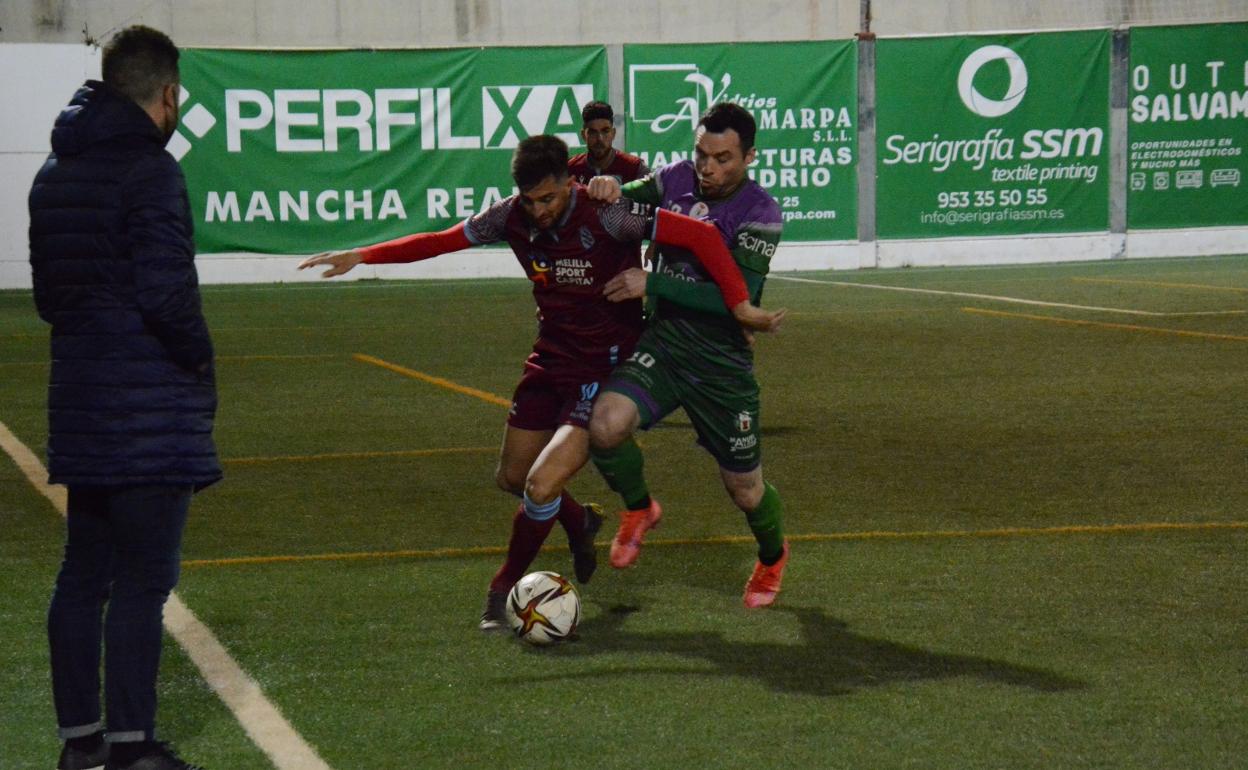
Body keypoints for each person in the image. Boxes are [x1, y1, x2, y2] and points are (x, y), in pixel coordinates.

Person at [298, 134, 781, 631]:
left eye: (548, 198)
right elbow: (441, 241)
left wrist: (740, 305)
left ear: (569, 183)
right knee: (511, 478)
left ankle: (502, 587)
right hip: (549, 360)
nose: (539, 210)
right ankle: (581, 521)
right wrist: (362, 256)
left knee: (541, 482)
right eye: (530, 200)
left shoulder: (609, 214)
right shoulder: (509, 216)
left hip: (604, 366)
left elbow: (699, 237)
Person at [28, 25, 218, 770]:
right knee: (143, 582)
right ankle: (133, 748)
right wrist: (198, 361)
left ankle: (81, 744)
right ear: (167, 93)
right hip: (148, 404)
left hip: (80, 395)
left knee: (83, 574)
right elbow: (168, 295)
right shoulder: (152, 172)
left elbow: (50, 297)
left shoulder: (54, 170)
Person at [586, 102, 792, 608]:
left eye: (722, 158)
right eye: (701, 153)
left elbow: (738, 301)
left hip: (721, 362)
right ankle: (639, 509)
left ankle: (771, 556)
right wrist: (609, 188)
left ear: (749, 157)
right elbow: (621, 206)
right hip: (666, 344)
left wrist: (651, 281)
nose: (707, 167)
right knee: (606, 426)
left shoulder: (760, 213)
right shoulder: (676, 178)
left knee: (745, 491)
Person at [567, 101, 649, 186]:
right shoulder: (569, 170)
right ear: (584, 135)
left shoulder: (635, 168)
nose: (599, 138)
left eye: (605, 131)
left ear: (613, 133)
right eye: (593, 132)